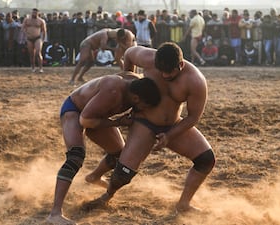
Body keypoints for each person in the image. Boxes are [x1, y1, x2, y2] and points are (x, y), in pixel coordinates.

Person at [85, 42, 216, 213]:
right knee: (123, 174)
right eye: (161, 70)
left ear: (181, 65)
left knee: (206, 160)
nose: (164, 75)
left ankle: (183, 204)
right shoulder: (148, 58)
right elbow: (130, 53)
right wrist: (130, 86)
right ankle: (107, 196)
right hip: (144, 122)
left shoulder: (195, 81)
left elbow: (193, 117)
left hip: (172, 125)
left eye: (170, 72)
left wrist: (169, 135)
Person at [46, 72, 161, 225]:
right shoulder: (113, 91)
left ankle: (94, 177)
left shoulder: (135, 83)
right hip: (75, 110)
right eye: (143, 106)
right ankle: (55, 213)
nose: (143, 109)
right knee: (76, 157)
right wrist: (117, 122)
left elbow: (127, 66)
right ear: (136, 98)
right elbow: (85, 120)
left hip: (98, 115)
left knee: (120, 155)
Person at [69, 28, 136, 84]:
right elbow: (103, 47)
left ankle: (80, 77)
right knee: (82, 61)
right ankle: (72, 79)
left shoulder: (109, 32)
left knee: (90, 62)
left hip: (92, 47)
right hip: (86, 44)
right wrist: (114, 49)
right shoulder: (104, 35)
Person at [22, 8, 47, 73]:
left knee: (38, 52)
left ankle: (41, 68)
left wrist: (43, 39)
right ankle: (33, 67)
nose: (34, 14)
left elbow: (44, 31)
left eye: (35, 13)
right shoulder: (27, 20)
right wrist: (26, 33)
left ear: (38, 13)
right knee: (31, 54)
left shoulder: (41, 21)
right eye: (33, 12)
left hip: (37, 38)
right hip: (29, 38)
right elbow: (23, 28)